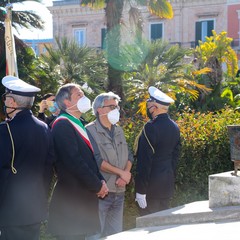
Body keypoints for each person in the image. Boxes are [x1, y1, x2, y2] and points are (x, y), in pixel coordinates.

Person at [47, 83, 109, 240]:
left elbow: (89, 159)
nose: (84, 98)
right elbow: (73, 161)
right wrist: (96, 185)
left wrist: (101, 181)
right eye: (79, 95)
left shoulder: (77, 122)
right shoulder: (62, 124)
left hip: (80, 200)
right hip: (70, 202)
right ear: (67, 102)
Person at [0, 75, 54, 240]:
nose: (4, 102)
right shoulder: (44, 127)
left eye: (6, 98)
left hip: (11, 209)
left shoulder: (4, 130)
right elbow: (49, 168)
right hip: (35, 207)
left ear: (12, 103)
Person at [86, 92, 134, 237]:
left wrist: (126, 174)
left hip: (120, 191)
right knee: (95, 234)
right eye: (112, 106)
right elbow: (96, 160)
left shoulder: (118, 130)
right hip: (102, 192)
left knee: (116, 235)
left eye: (117, 107)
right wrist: (121, 173)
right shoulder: (89, 130)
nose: (116, 110)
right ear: (99, 109)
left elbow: (129, 154)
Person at [135, 86, 180, 216]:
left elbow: (145, 160)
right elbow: (175, 158)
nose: (149, 110)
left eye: (149, 107)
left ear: (154, 108)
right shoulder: (174, 126)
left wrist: (141, 190)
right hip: (166, 186)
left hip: (151, 188)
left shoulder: (150, 127)